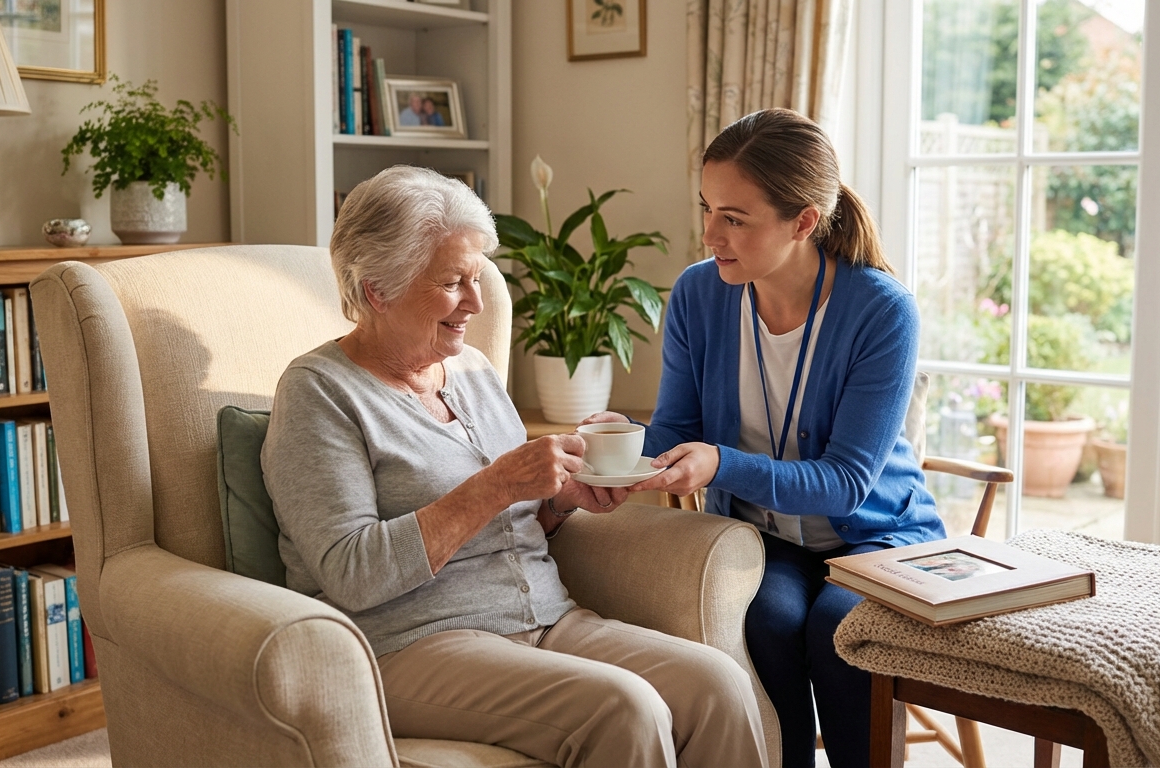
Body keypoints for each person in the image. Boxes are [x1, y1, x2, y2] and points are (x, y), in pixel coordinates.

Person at [261, 165, 768, 768]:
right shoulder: (320, 393)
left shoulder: (471, 370)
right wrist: (497, 483)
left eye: (476, 279)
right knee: (624, 708)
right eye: (454, 283)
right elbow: (351, 572)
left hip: (546, 618)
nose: (476, 302)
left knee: (719, 686)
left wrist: (560, 501)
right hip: (408, 645)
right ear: (379, 289)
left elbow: (516, 521)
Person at [586, 108, 947, 768]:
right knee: (770, 622)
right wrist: (627, 443)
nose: (708, 234)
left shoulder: (881, 310)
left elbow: (844, 485)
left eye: (734, 218)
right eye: (707, 208)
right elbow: (677, 432)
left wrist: (721, 463)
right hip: (769, 539)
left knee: (841, 630)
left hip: (876, 539)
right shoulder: (698, 295)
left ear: (803, 221)